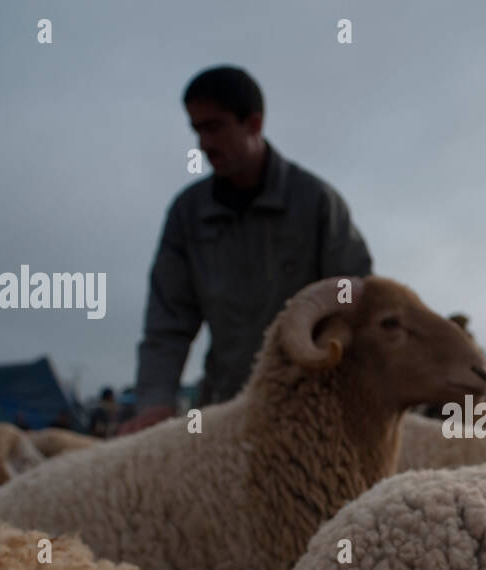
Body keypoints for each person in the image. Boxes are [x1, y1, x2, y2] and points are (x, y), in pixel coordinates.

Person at [120, 66, 372, 435]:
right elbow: (167, 322)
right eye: (196, 129)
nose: (203, 144)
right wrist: (155, 402)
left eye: (214, 127)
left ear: (254, 123)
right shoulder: (188, 215)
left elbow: (356, 301)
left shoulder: (316, 203)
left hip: (309, 412)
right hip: (225, 408)